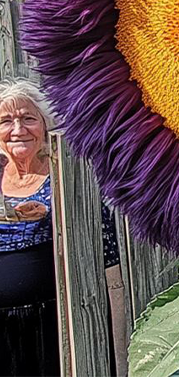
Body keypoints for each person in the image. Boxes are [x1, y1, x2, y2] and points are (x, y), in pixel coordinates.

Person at [0, 79, 126, 376]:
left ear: (45, 125)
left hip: (54, 322)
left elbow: (101, 238)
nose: (18, 130)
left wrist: (53, 215)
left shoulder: (65, 173)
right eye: (6, 121)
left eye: (28, 119)